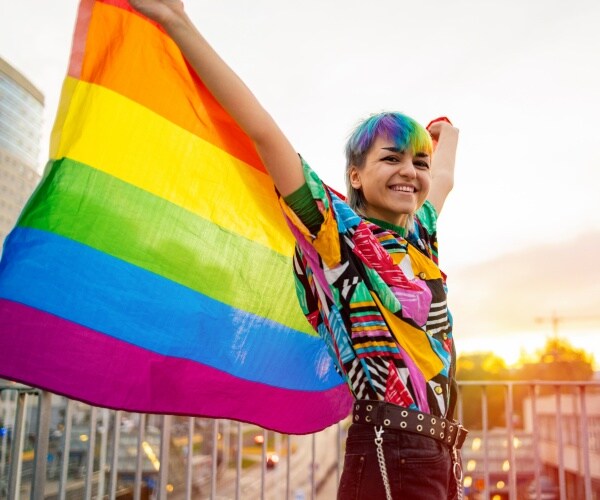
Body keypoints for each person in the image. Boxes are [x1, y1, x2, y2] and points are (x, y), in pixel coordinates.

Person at [128, 1, 466, 498]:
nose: (409, 172)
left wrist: (445, 133)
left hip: (442, 453)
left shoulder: (421, 236)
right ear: (355, 175)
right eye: (390, 158)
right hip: (390, 449)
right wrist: (178, 23)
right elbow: (264, 133)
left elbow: (444, 177)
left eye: (417, 162)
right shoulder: (337, 233)